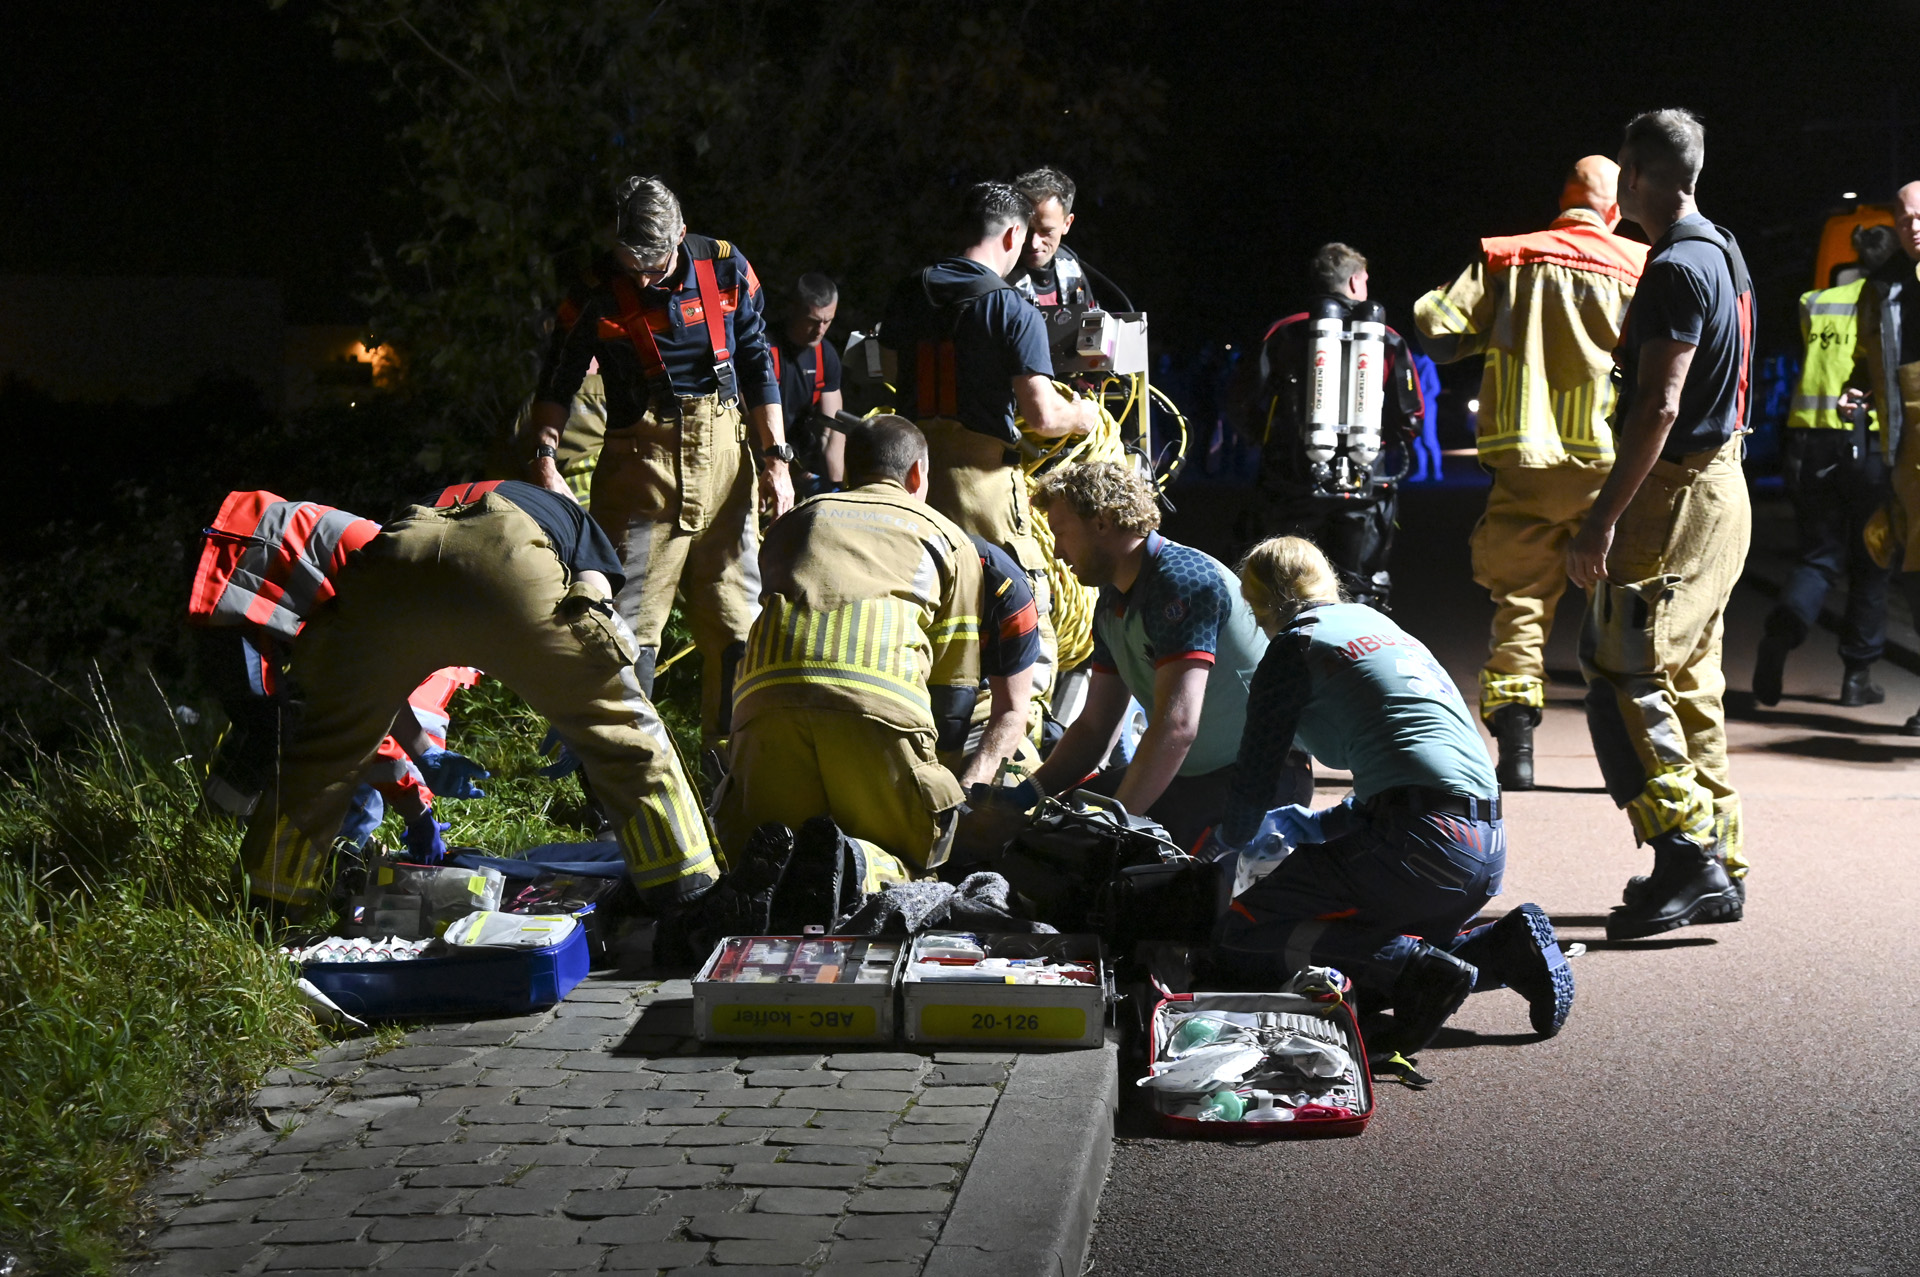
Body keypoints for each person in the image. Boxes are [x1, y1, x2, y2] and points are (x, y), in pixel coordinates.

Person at [238, 479, 719, 923]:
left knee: (325, 752)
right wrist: (584, 693)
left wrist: (421, 751)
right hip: (508, 563)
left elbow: (374, 688)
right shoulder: (576, 519)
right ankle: (685, 893)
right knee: (626, 741)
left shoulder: (438, 496)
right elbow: (596, 599)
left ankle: (269, 908)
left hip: (395, 558)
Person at [1208, 537, 1573, 1057]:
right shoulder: (1378, 626)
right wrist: (1320, 825)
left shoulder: (1294, 644)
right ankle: (1505, 948)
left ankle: (1412, 969)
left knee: (1245, 931)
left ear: (1258, 605)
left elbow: (1255, 775)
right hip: (1482, 844)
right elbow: (1411, 768)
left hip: (1421, 846)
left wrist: (1218, 848)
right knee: (1366, 936)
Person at [1566, 109, 1753, 940]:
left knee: (1620, 669)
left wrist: (1602, 520)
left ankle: (1684, 853)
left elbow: (1660, 405)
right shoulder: (1724, 250)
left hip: (1674, 493)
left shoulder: (1675, 266)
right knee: (1691, 679)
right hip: (1723, 487)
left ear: (1638, 175)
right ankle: (1722, 861)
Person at [527, 175, 793, 751]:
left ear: (681, 234)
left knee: (736, 623)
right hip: (640, 473)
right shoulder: (596, 290)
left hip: (728, 467)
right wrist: (544, 457)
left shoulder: (726, 268)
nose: (643, 280)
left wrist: (776, 459)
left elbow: (757, 360)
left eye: (653, 266)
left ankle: (730, 766)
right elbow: (557, 378)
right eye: (631, 266)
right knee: (626, 628)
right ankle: (621, 773)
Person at [1414, 156, 1650, 789]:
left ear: (1564, 199)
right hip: (1609, 468)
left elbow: (1437, 327)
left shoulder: (1508, 256)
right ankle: (1629, 760)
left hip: (1525, 462)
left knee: (1519, 607)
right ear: (1615, 208)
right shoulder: (1641, 264)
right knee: (1620, 611)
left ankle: (1516, 751)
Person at [714, 416, 983, 872]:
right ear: (917, 474)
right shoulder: (947, 537)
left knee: (768, 858)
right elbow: (954, 688)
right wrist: (936, 773)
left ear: (850, 470)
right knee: (906, 862)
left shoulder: (794, 521)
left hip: (763, 702)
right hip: (881, 705)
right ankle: (862, 874)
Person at [880, 181, 1098, 741]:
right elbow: (1042, 415)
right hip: (983, 492)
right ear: (1011, 234)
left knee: (932, 613)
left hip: (914, 483)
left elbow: (890, 372)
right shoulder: (1011, 307)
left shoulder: (908, 293)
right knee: (1024, 610)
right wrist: (1084, 416)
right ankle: (1015, 749)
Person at [981, 462, 1270, 851]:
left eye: (1061, 533)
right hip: (1189, 772)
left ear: (1101, 523)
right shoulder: (1112, 601)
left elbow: (1177, 726)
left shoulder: (1182, 580)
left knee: (1091, 861)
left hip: (1254, 780)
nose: (1057, 551)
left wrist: (1112, 831)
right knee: (1044, 840)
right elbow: (1094, 728)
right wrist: (1025, 796)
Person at [188, 490, 488, 860]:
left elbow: (378, 702)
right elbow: (367, 717)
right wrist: (417, 813)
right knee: (270, 726)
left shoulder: (444, 611)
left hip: (251, 541)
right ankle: (220, 843)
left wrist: (420, 785)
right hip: (238, 558)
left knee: (274, 723)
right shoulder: (429, 631)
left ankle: (222, 836)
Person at [1230, 243, 1424, 610]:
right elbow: (1412, 416)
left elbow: (1243, 398)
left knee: (1286, 585)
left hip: (1290, 482)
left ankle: (1290, 641)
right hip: (1364, 484)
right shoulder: (1386, 337)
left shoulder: (1283, 332)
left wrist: (1266, 442)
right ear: (1354, 282)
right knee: (1358, 588)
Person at [1754, 224, 1901, 709]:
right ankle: (1857, 677)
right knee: (1871, 559)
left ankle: (1780, 636)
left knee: (1817, 556)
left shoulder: (1814, 302)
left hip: (1810, 441)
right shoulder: (1892, 305)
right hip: (1868, 442)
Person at [1858, 181, 1920, 733]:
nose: (1913, 227)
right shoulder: (1883, 287)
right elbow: (1868, 353)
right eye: (1903, 220)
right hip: (1907, 446)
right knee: (1913, 570)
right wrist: (1857, 385)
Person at [953, 533, 1044, 785]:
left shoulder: (1008, 590)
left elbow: (1011, 710)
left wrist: (972, 786)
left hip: (977, 709)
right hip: (898, 713)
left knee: (1011, 789)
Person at [771, 272, 846, 495]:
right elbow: (753, 423)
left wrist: (836, 490)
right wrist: (784, 470)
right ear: (794, 311)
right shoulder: (763, 350)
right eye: (813, 321)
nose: (820, 330)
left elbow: (833, 431)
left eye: (827, 321)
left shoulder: (826, 356)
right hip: (761, 452)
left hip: (800, 457)